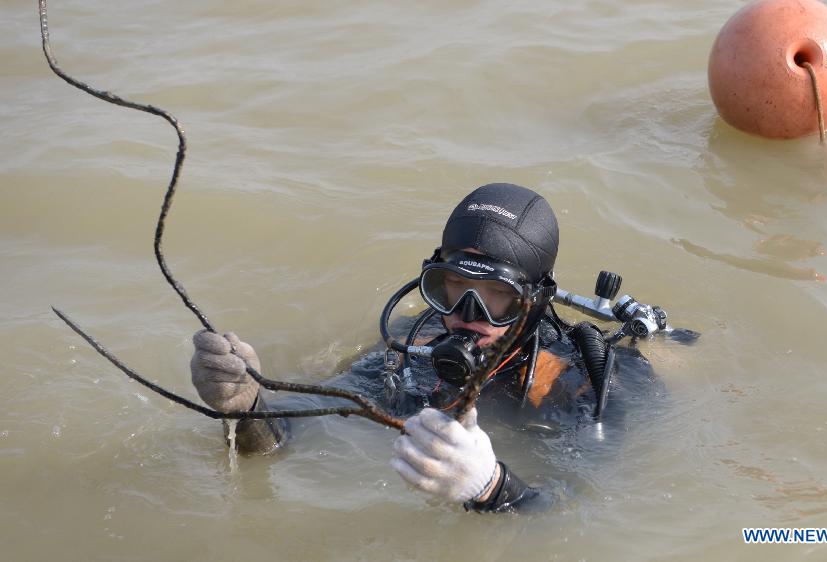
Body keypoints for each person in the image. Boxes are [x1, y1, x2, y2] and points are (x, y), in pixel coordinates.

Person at [190, 182, 658, 513]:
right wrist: (245, 407)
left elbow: (584, 506)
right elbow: (299, 428)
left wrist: (493, 489)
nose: (467, 315)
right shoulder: (414, 349)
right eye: (452, 286)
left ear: (532, 302)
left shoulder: (580, 379)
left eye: (496, 296)